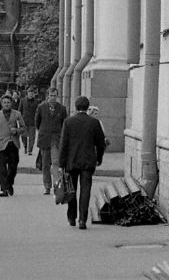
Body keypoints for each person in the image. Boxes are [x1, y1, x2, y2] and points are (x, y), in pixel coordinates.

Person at [58, 95, 105, 229]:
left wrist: (61, 164)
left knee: (71, 190)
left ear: (75, 107)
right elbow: (100, 144)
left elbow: (63, 145)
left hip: (71, 161)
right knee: (85, 190)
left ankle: (72, 217)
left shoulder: (68, 122)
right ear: (87, 107)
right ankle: (82, 220)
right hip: (88, 161)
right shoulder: (94, 122)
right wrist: (99, 158)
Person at [0, 92, 27, 196]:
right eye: (4, 102)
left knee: (13, 168)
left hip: (13, 144)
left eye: (8, 102)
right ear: (1, 104)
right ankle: (3, 189)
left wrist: (17, 131)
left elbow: (23, 128)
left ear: (11, 103)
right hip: (1, 144)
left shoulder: (17, 114)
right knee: (2, 168)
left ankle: (9, 183)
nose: (6, 104)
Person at [35, 86, 67, 194]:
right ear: (48, 95)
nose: (53, 98)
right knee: (45, 164)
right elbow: (37, 122)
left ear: (57, 96)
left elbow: (64, 124)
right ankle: (47, 186)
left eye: (55, 96)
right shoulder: (41, 107)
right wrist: (43, 130)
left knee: (56, 163)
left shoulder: (62, 108)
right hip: (44, 138)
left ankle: (57, 185)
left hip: (56, 139)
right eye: (51, 95)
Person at [20, 85, 40, 154]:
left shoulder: (37, 102)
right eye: (30, 93)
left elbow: (38, 112)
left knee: (32, 137)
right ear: (27, 93)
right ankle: (25, 146)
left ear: (34, 94)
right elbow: (20, 111)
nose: (31, 95)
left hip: (33, 122)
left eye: (32, 93)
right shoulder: (22, 101)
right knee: (23, 136)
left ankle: (30, 150)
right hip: (24, 121)